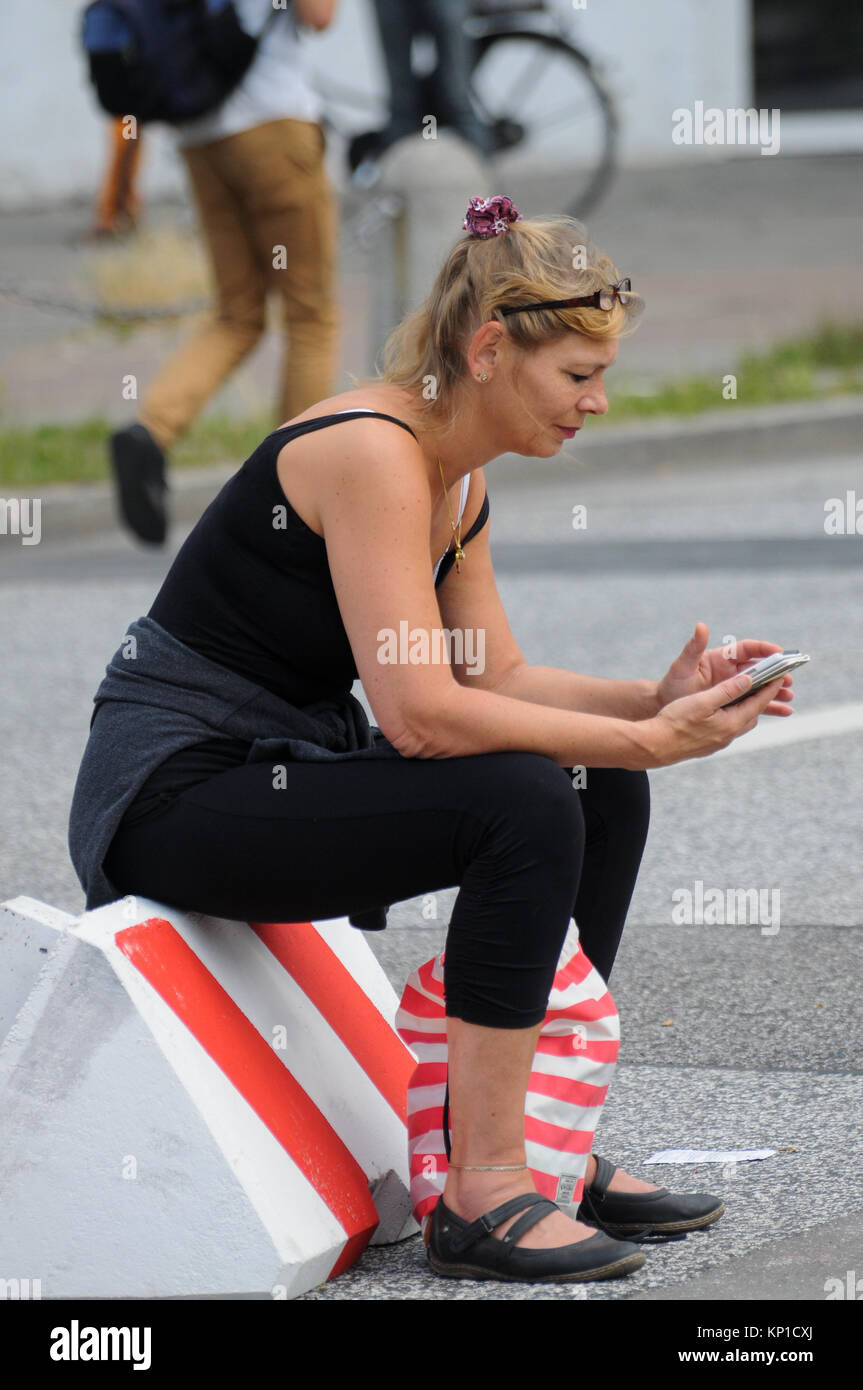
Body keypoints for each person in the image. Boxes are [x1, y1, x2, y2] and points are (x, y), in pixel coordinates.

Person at [69, 193, 794, 1284]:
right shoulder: (371, 450)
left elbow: (488, 677)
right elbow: (416, 712)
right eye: (578, 375)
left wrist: (644, 705)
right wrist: (653, 739)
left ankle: (538, 1144)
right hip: (173, 797)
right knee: (526, 797)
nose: (596, 402)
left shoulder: (455, 479)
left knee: (591, 776)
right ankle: (481, 1187)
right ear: (491, 348)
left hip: (277, 765)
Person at [109, 0, 340, 546]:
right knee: (311, 315)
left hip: (201, 137)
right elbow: (319, 16)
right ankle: (293, 490)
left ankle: (151, 429)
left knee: (237, 314)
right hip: (273, 126)